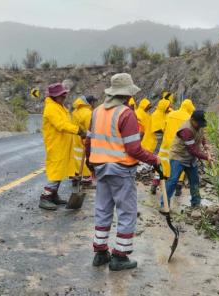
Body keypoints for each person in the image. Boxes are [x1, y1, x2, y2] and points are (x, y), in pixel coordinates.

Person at [86, 73, 160, 271]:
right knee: (126, 212)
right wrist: (155, 159)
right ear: (126, 95)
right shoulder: (126, 114)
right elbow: (134, 149)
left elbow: (89, 141)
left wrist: (90, 164)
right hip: (121, 169)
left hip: (100, 167)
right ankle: (120, 256)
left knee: (102, 209)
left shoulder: (97, 111)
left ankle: (100, 253)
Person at [40, 83, 86, 211]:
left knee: (61, 170)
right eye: (62, 95)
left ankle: (54, 195)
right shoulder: (51, 108)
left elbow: (67, 122)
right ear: (55, 96)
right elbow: (61, 125)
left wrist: (78, 131)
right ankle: (45, 197)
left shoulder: (59, 106)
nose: (65, 96)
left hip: (63, 144)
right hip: (56, 145)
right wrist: (78, 130)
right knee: (56, 170)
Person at [162, 110, 211, 208]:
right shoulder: (186, 130)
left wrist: (205, 144)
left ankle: (196, 203)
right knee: (173, 180)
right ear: (192, 120)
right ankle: (164, 205)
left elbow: (202, 135)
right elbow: (192, 149)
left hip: (191, 158)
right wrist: (206, 157)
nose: (200, 126)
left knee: (195, 180)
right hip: (178, 157)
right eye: (199, 123)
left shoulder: (198, 126)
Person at [158, 99, 196, 196]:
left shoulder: (170, 114)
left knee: (163, 164)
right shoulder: (189, 118)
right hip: (179, 146)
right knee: (179, 167)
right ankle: (178, 189)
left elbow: (163, 128)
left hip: (166, 144)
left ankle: (157, 184)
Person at [141, 98, 171, 194]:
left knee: (159, 165)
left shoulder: (161, 114)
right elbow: (158, 131)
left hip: (156, 144)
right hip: (153, 144)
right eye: (168, 106)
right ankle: (156, 184)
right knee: (159, 164)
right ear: (164, 106)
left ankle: (156, 184)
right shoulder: (157, 115)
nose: (169, 108)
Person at [72, 95, 98, 189]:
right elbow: (90, 128)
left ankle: (76, 177)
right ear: (90, 103)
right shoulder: (88, 113)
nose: (95, 104)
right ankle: (87, 179)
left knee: (77, 159)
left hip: (76, 138)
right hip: (84, 139)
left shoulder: (76, 111)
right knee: (87, 158)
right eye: (94, 102)